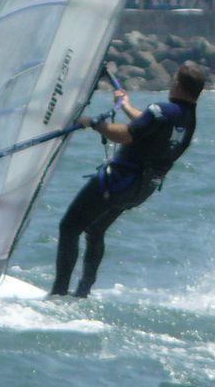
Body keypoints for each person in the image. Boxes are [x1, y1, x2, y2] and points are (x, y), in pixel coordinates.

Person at [50, 61, 205, 298]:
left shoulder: (160, 110)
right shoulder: (188, 119)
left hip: (118, 182)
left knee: (69, 226)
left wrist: (94, 124)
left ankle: (59, 293)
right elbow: (149, 124)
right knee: (95, 230)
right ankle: (83, 291)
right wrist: (125, 106)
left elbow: (125, 135)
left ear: (177, 83)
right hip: (140, 190)